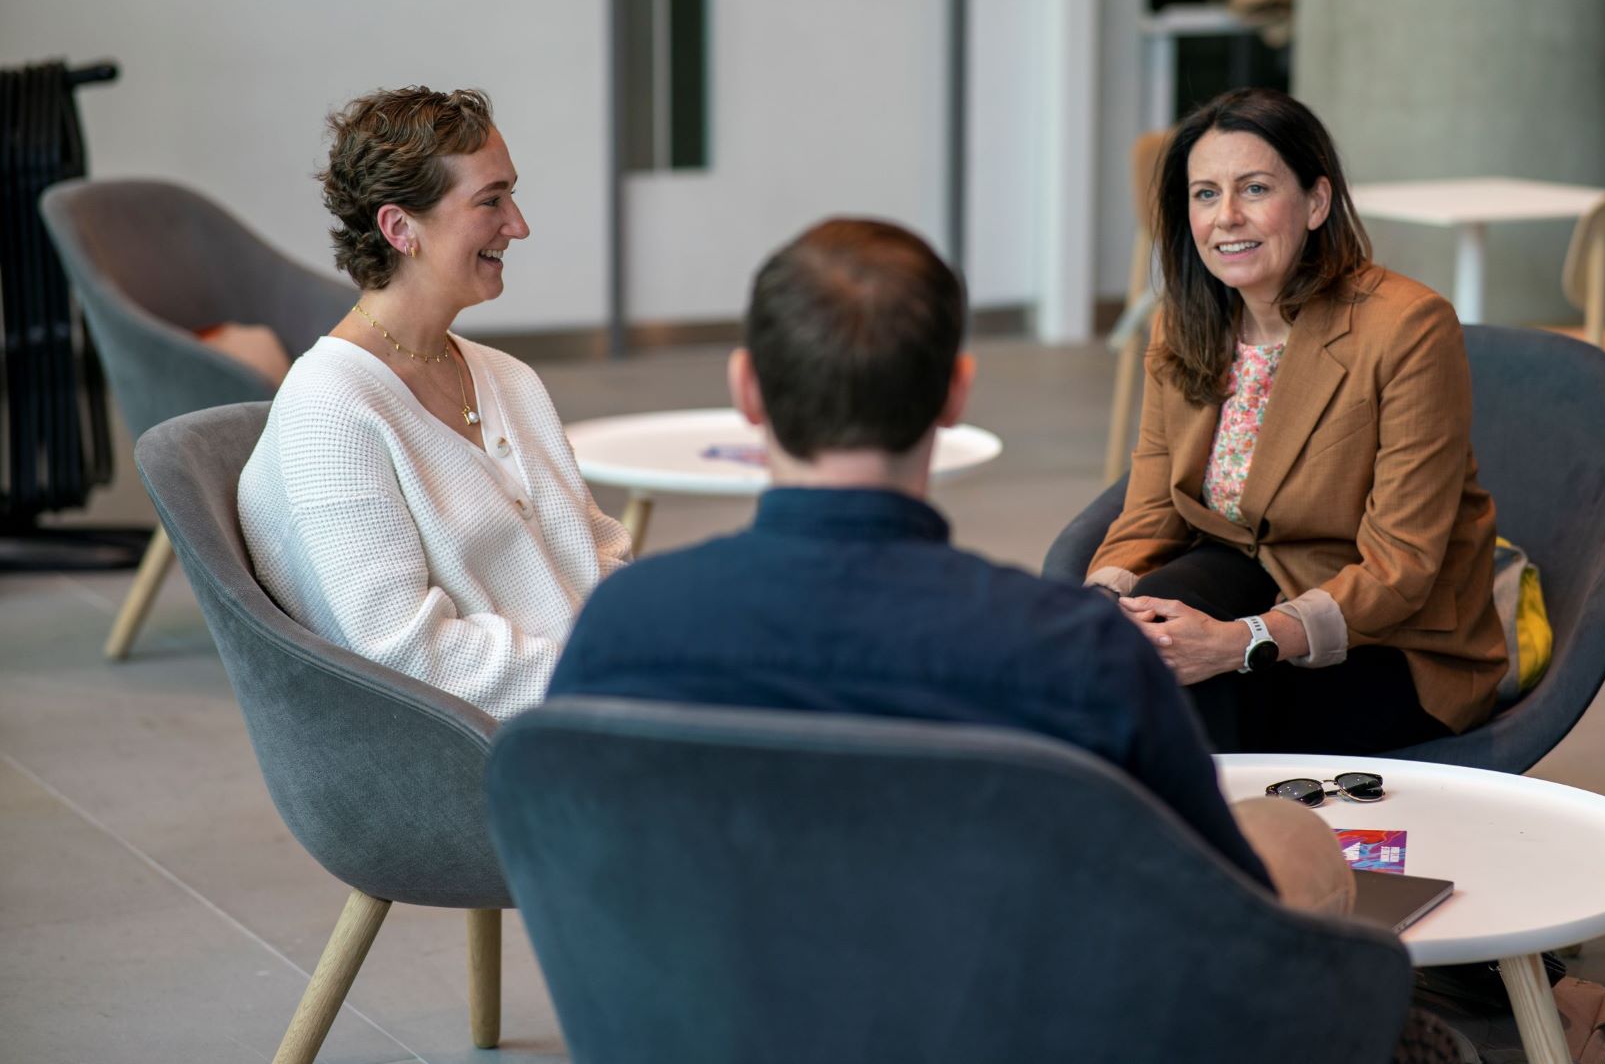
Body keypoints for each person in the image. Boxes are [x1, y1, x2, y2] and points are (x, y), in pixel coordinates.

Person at [549, 216, 1355, 914]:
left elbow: (576, 869)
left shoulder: (624, 627)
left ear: (746, 390)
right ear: (955, 394)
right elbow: (1208, 897)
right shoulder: (1076, 654)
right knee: (1291, 844)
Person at [1087, 88, 1507, 754]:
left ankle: (1210, 850)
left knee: (1187, 682)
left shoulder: (1405, 327)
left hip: (1389, 640)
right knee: (1140, 640)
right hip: (1242, 581)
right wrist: (1101, 608)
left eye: (1253, 189)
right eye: (1203, 194)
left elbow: (1400, 567)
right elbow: (1148, 515)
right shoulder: (1184, 324)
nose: (1225, 217)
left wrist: (1241, 642)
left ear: (1315, 202)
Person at [238, 87, 629, 720]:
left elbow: (597, 550)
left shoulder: (509, 378)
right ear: (399, 228)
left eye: (512, 194)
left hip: (599, 703)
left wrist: (655, 647)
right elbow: (405, 652)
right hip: (499, 748)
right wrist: (613, 678)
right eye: (490, 201)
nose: (519, 224)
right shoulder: (330, 411)